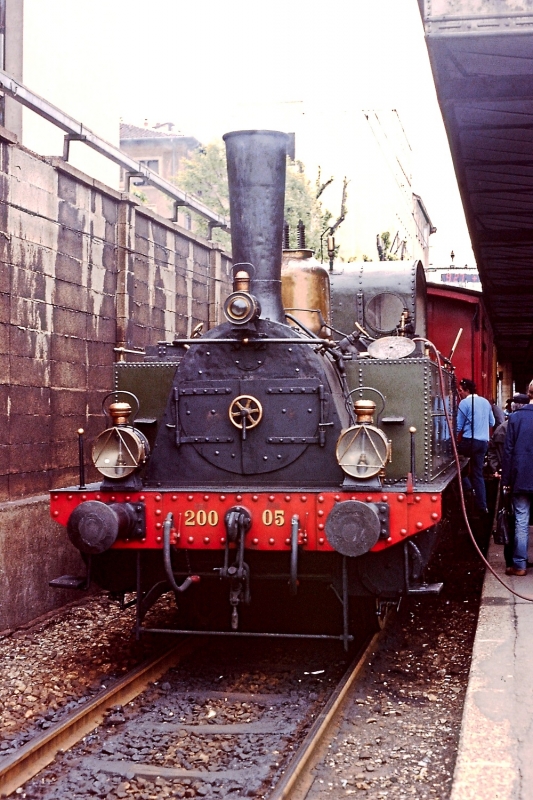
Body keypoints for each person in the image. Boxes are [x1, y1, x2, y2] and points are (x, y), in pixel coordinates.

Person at [487, 393, 528, 569]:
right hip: (518, 475)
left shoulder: (505, 426)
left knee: (515, 519)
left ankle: (516, 562)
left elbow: (500, 453)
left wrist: (500, 473)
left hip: (512, 477)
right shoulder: (517, 425)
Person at [502, 381, 533, 576]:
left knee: (521, 520)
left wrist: (506, 479)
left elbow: (508, 451)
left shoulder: (515, 418)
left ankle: (519, 566)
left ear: (529, 393)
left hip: (521, 476)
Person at [457, 378, 495, 514]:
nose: (459, 393)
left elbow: (458, 427)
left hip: (469, 441)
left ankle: (467, 489)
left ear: (466, 390)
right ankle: (482, 506)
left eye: (460, 390)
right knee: (478, 473)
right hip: (483, 443)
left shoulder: (464, 403)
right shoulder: (486, 402)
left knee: (455, 468)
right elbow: (492, 422)